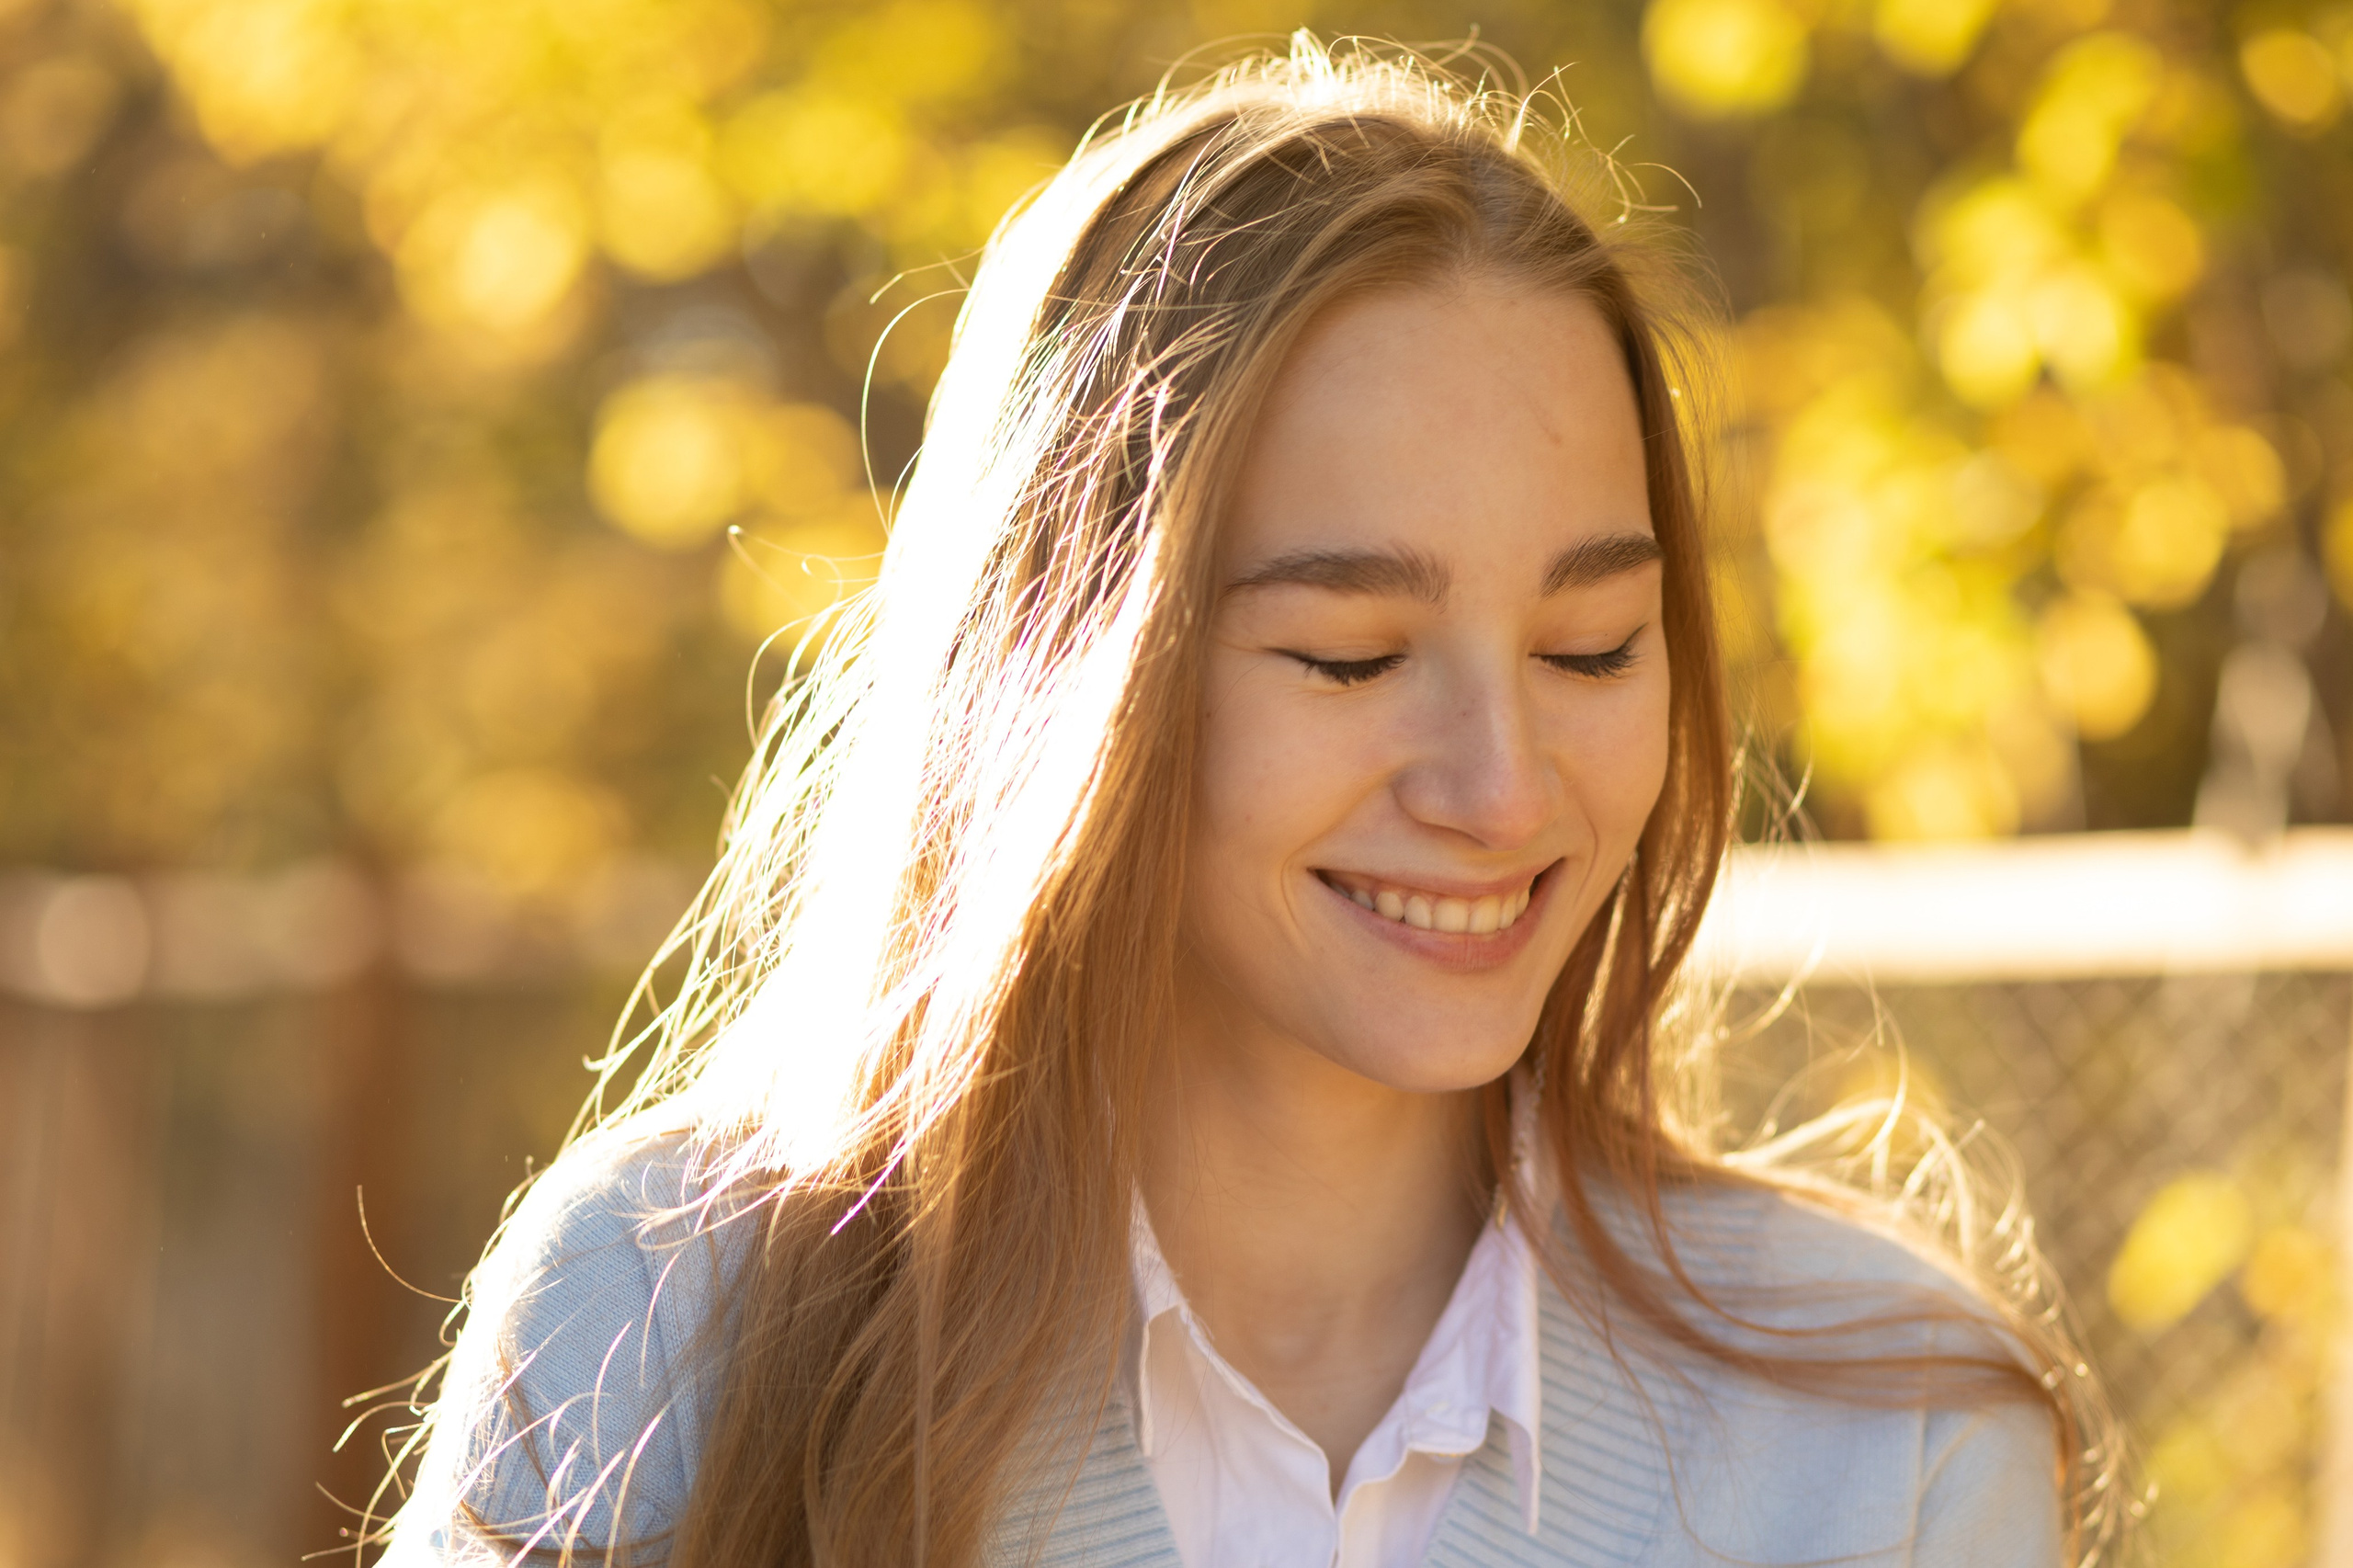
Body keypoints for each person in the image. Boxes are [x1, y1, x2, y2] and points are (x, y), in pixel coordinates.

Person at [381, 39, 2111, 1568]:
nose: (1501, 785)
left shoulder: (1896, 1441)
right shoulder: (665, 1311)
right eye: (1352, 656)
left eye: (1591, 647)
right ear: (1064, 676)